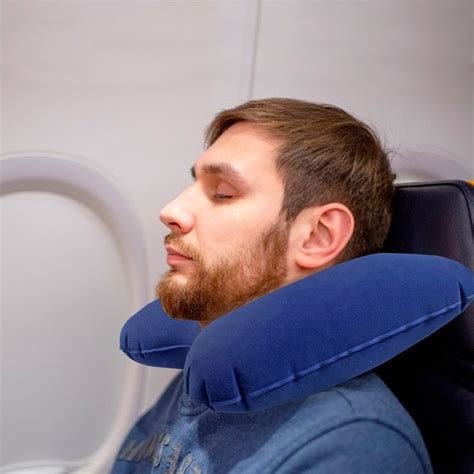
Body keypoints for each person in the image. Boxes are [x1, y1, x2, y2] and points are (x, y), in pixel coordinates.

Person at [111, 98, 432, 473]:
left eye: (223, 193)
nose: (171, 211)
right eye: (194, 183)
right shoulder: (211, 370)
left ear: (318, 235)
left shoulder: (352, 445)